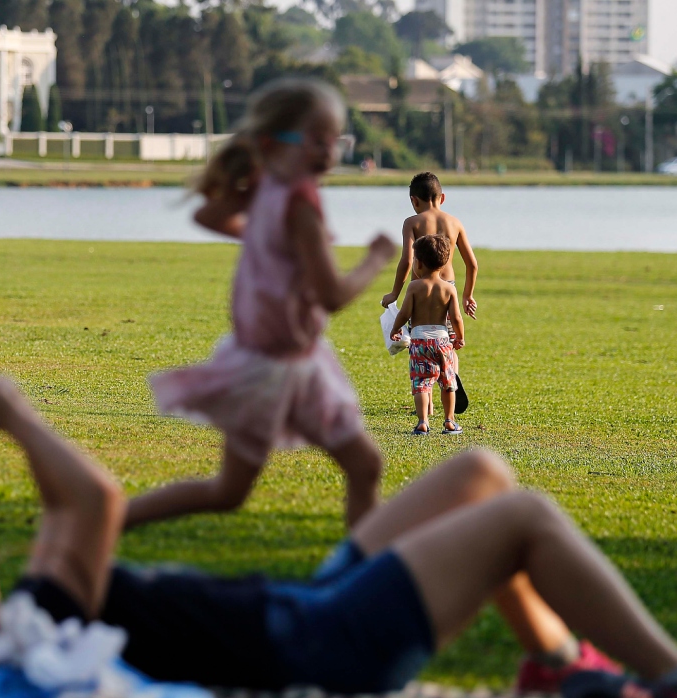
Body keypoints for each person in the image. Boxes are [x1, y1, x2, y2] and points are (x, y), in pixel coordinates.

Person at [0, 374, 677, 698]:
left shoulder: (36, 607)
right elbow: (96, 500)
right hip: (323, 646)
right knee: (529, 520)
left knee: (478, 469)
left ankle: (555, 664)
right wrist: (16, 417)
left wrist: (16, 431)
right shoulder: (47, 632)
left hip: (298, 606)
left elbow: (74, 509)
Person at [127, 77, 394, 530]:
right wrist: (375, 259)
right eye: (315, 140)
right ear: (273, 144)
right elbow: (331, 297)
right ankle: (109, 519)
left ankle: (359, 575)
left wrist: (267, 240)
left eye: (334, 140)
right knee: (233, 491)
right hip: (269, 371)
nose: (328, 151)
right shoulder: (299, 201)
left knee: (360, 466)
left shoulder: (269, 187)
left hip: (299, 364)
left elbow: (207, 214)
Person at [381, 172, 479, 420]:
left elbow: (407, 260)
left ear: (414, 200)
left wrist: (394, 292)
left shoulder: (411, 222)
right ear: (442, 197)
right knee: (447, 343)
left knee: (422, 341)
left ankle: (427, 405)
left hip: (420, 288)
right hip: (449, 288)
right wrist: (467, 295)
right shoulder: (454, 222)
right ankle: (450, 381)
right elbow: (472, 264)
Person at [390, 234, 464, 436]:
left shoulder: (414, 287)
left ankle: (423, 422)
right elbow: (456, 317)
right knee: (448, 382)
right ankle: (449, 421)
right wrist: (459, 336)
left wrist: (395, 328)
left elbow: (405, 313)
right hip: (443, 341)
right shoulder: (449, 288)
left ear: (419, 263)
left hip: (419, 342)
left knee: (421, 383)